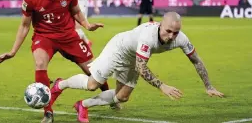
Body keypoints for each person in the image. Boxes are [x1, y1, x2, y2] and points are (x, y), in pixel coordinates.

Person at [51, 12, 224, 123]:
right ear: (159, 24)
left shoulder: (181, 39)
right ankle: (61, 84)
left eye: (175, 32)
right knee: (92, 85)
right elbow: (142, 68)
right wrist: (162, 86)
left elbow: (196, 60)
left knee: (122, 97)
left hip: (135, 57)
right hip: (118, 50)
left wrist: (208, 86)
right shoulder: (148, 36)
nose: (171, 36)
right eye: (168, 31)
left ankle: (83, 105)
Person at [0, 0, 109, 123]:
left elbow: (76, 11)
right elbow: (25, 26)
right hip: (44, 36)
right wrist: (13, 51)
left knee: (94, 72)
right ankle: (48, 112)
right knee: (40, 64)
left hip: (68, 35)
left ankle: (108, 96)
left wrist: (87, 25)